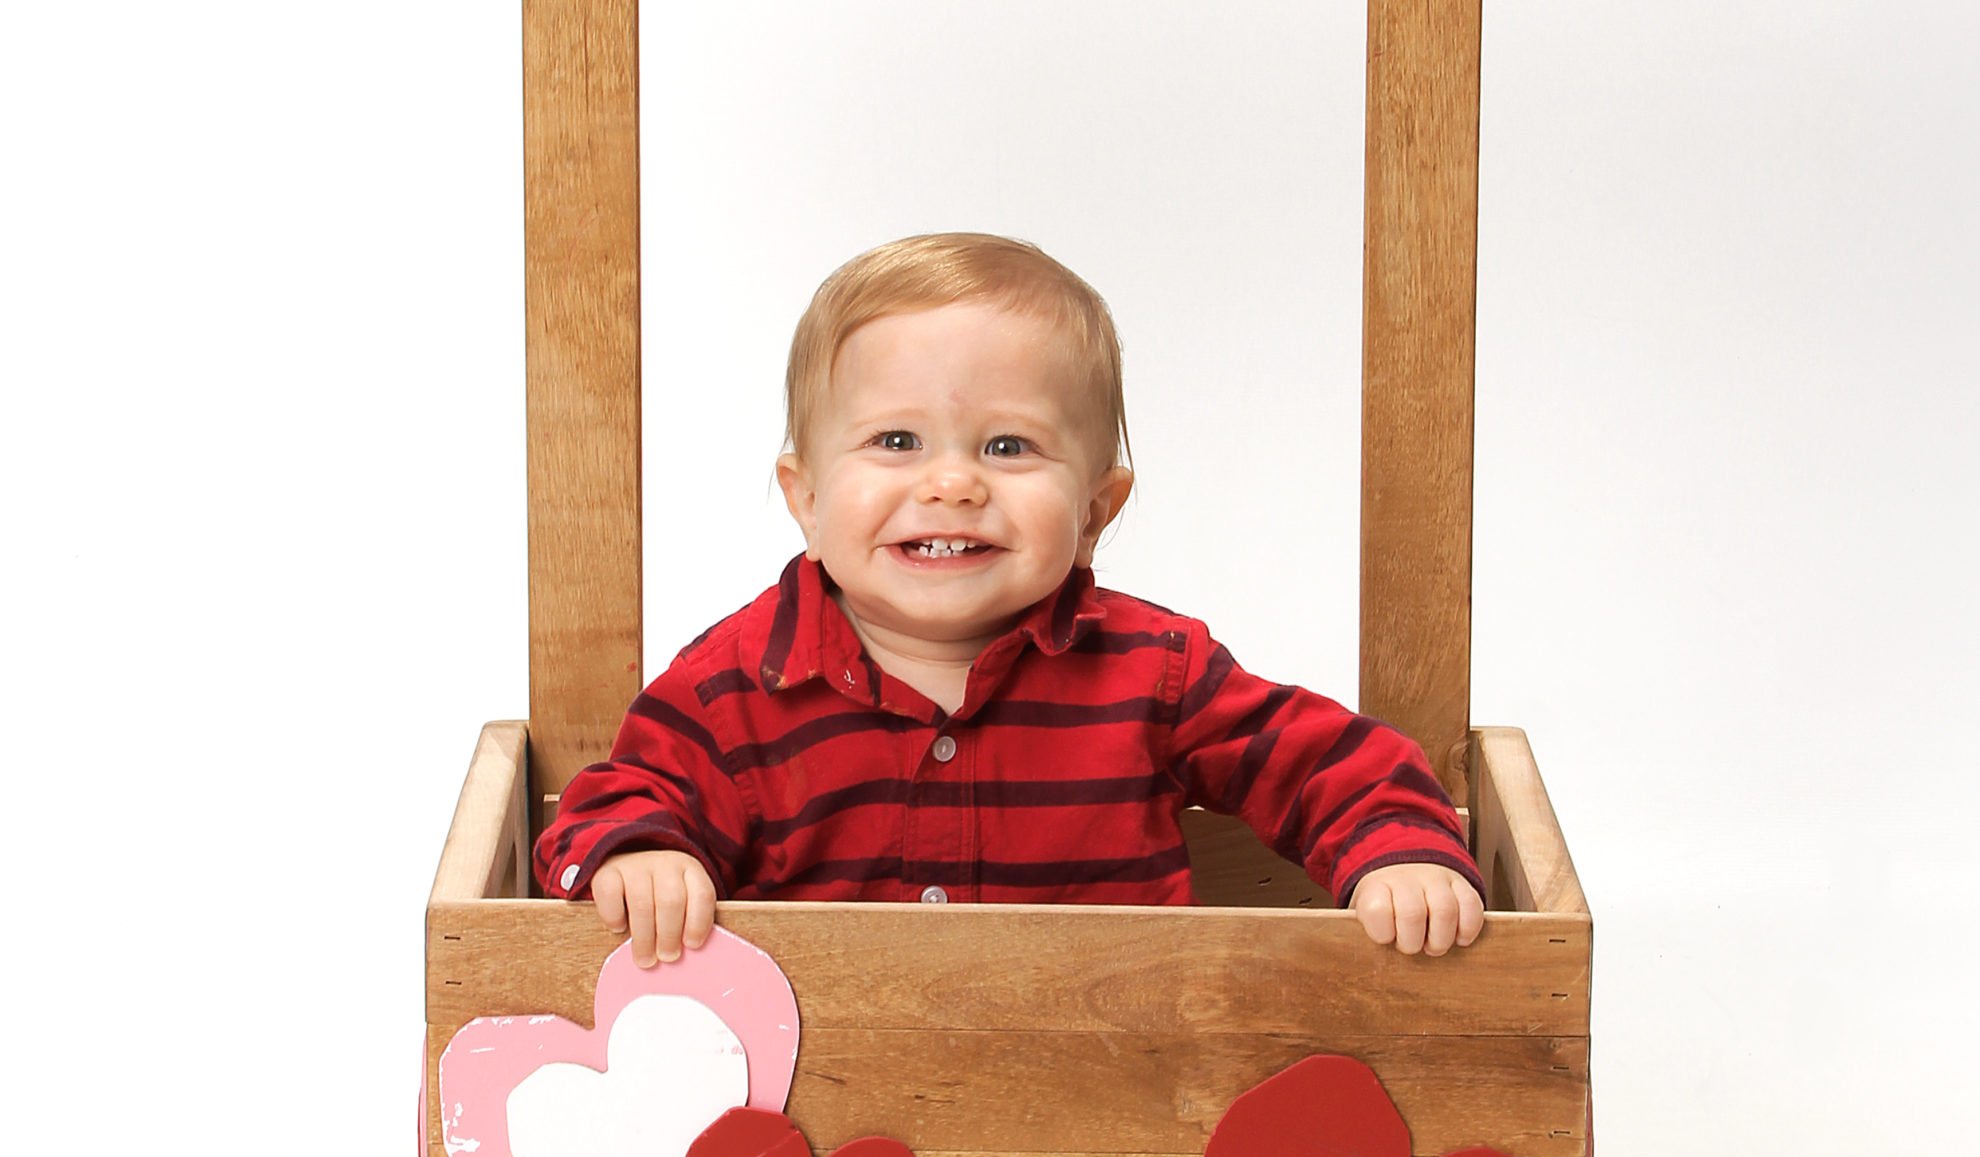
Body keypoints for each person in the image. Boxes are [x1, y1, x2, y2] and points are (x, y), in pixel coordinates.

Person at [536, 233, 1485, 966]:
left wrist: (1400, 851)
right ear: (807, 499)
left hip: (1118, 1078)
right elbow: (609, 800)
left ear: (1095, 511)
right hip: (814, 1090)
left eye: (1008, 447)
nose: (952, 484)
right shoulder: (735, 687)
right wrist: (640, 855)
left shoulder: (1153, 673)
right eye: (896, 441)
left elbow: (1329, 762)